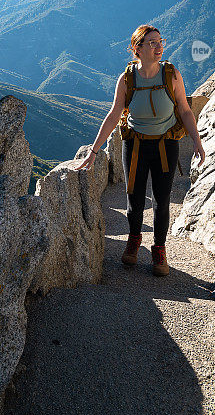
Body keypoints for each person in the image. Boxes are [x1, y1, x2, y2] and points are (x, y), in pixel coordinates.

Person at [75, 24, 205, 276]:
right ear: (137, 49)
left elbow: (185, 110)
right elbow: (114, 115)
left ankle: (159, 249)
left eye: (160, 41)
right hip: (135, 144)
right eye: (152, 43)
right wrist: (94, 150)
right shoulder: (127, 79)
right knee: (134, 199)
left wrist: (197, 141)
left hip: (166, 144)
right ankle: (134, 240)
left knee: (162, 199)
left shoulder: (171, 74)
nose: (159, 47)